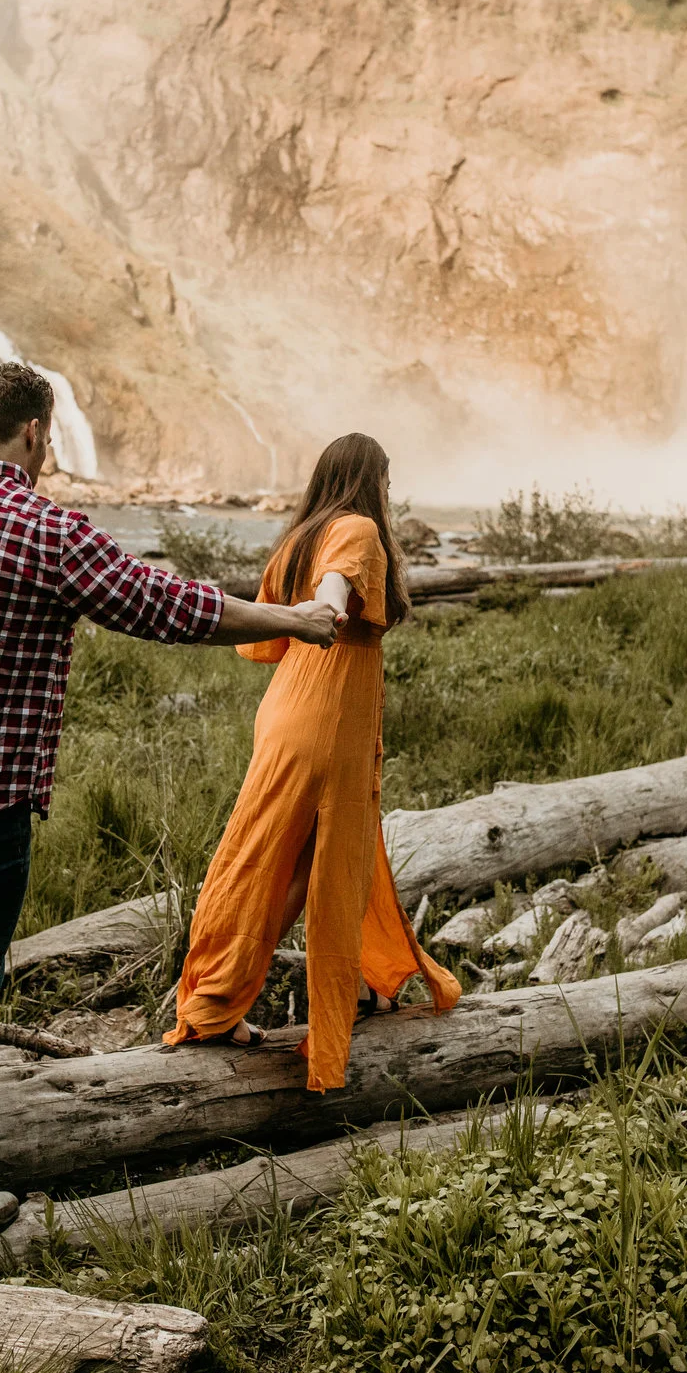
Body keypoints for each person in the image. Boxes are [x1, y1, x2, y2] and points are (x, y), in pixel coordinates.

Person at [0, 362, 339, 1253]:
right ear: (34, 435)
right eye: (46, 438)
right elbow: (163, 606)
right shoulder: (44, 531)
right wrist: (289, 620)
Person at [163, 432, 461, 1091]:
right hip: (327, 718)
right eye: (385, 479)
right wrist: (326, 609)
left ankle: (317, 987)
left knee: (297, 859)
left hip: (293, 706)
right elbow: (333, 595)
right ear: (370, 480)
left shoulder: (304, 531)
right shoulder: (355, 528)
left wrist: (314, 613)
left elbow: (271, 633)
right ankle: (215, 1002)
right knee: (287, 863)